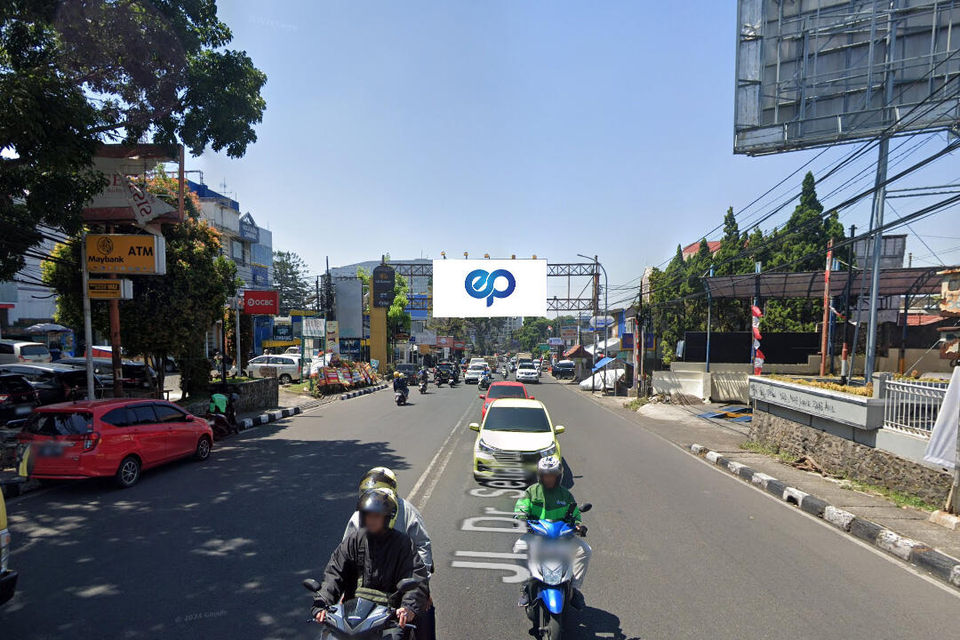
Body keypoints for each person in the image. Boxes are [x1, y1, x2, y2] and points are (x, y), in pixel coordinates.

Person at [313, 489, 427, 638]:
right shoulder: (353, 541)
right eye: (367, 515)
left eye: (376, 516)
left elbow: (416, 578)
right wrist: (322, 602)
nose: (371, 520)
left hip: (388, 619)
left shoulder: (403, 544)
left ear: (387, 518)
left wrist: (408, 607)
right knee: (328, 635)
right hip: (351, 618)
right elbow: (334, 573)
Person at [343, 468, 436, 640]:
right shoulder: (358, 517)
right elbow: (346, 554)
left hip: (401, 584)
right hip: (367, 586)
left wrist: (422, 586)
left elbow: (422, 547)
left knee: (423, 615)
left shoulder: (408, 512)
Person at [514, 455, 591, 610]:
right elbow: (521, 507)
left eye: (552, 476)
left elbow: (575, 513)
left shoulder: (565, 494)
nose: (549, 479)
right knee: (519, 549)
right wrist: (520, 517)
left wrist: (578, 526)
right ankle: (526, 585)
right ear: (540, 476)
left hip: (562, 537)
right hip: (537, 535)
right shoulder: (531, 492)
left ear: (559, 476)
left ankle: (575, 589)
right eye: (545, 475)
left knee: (585, 551)